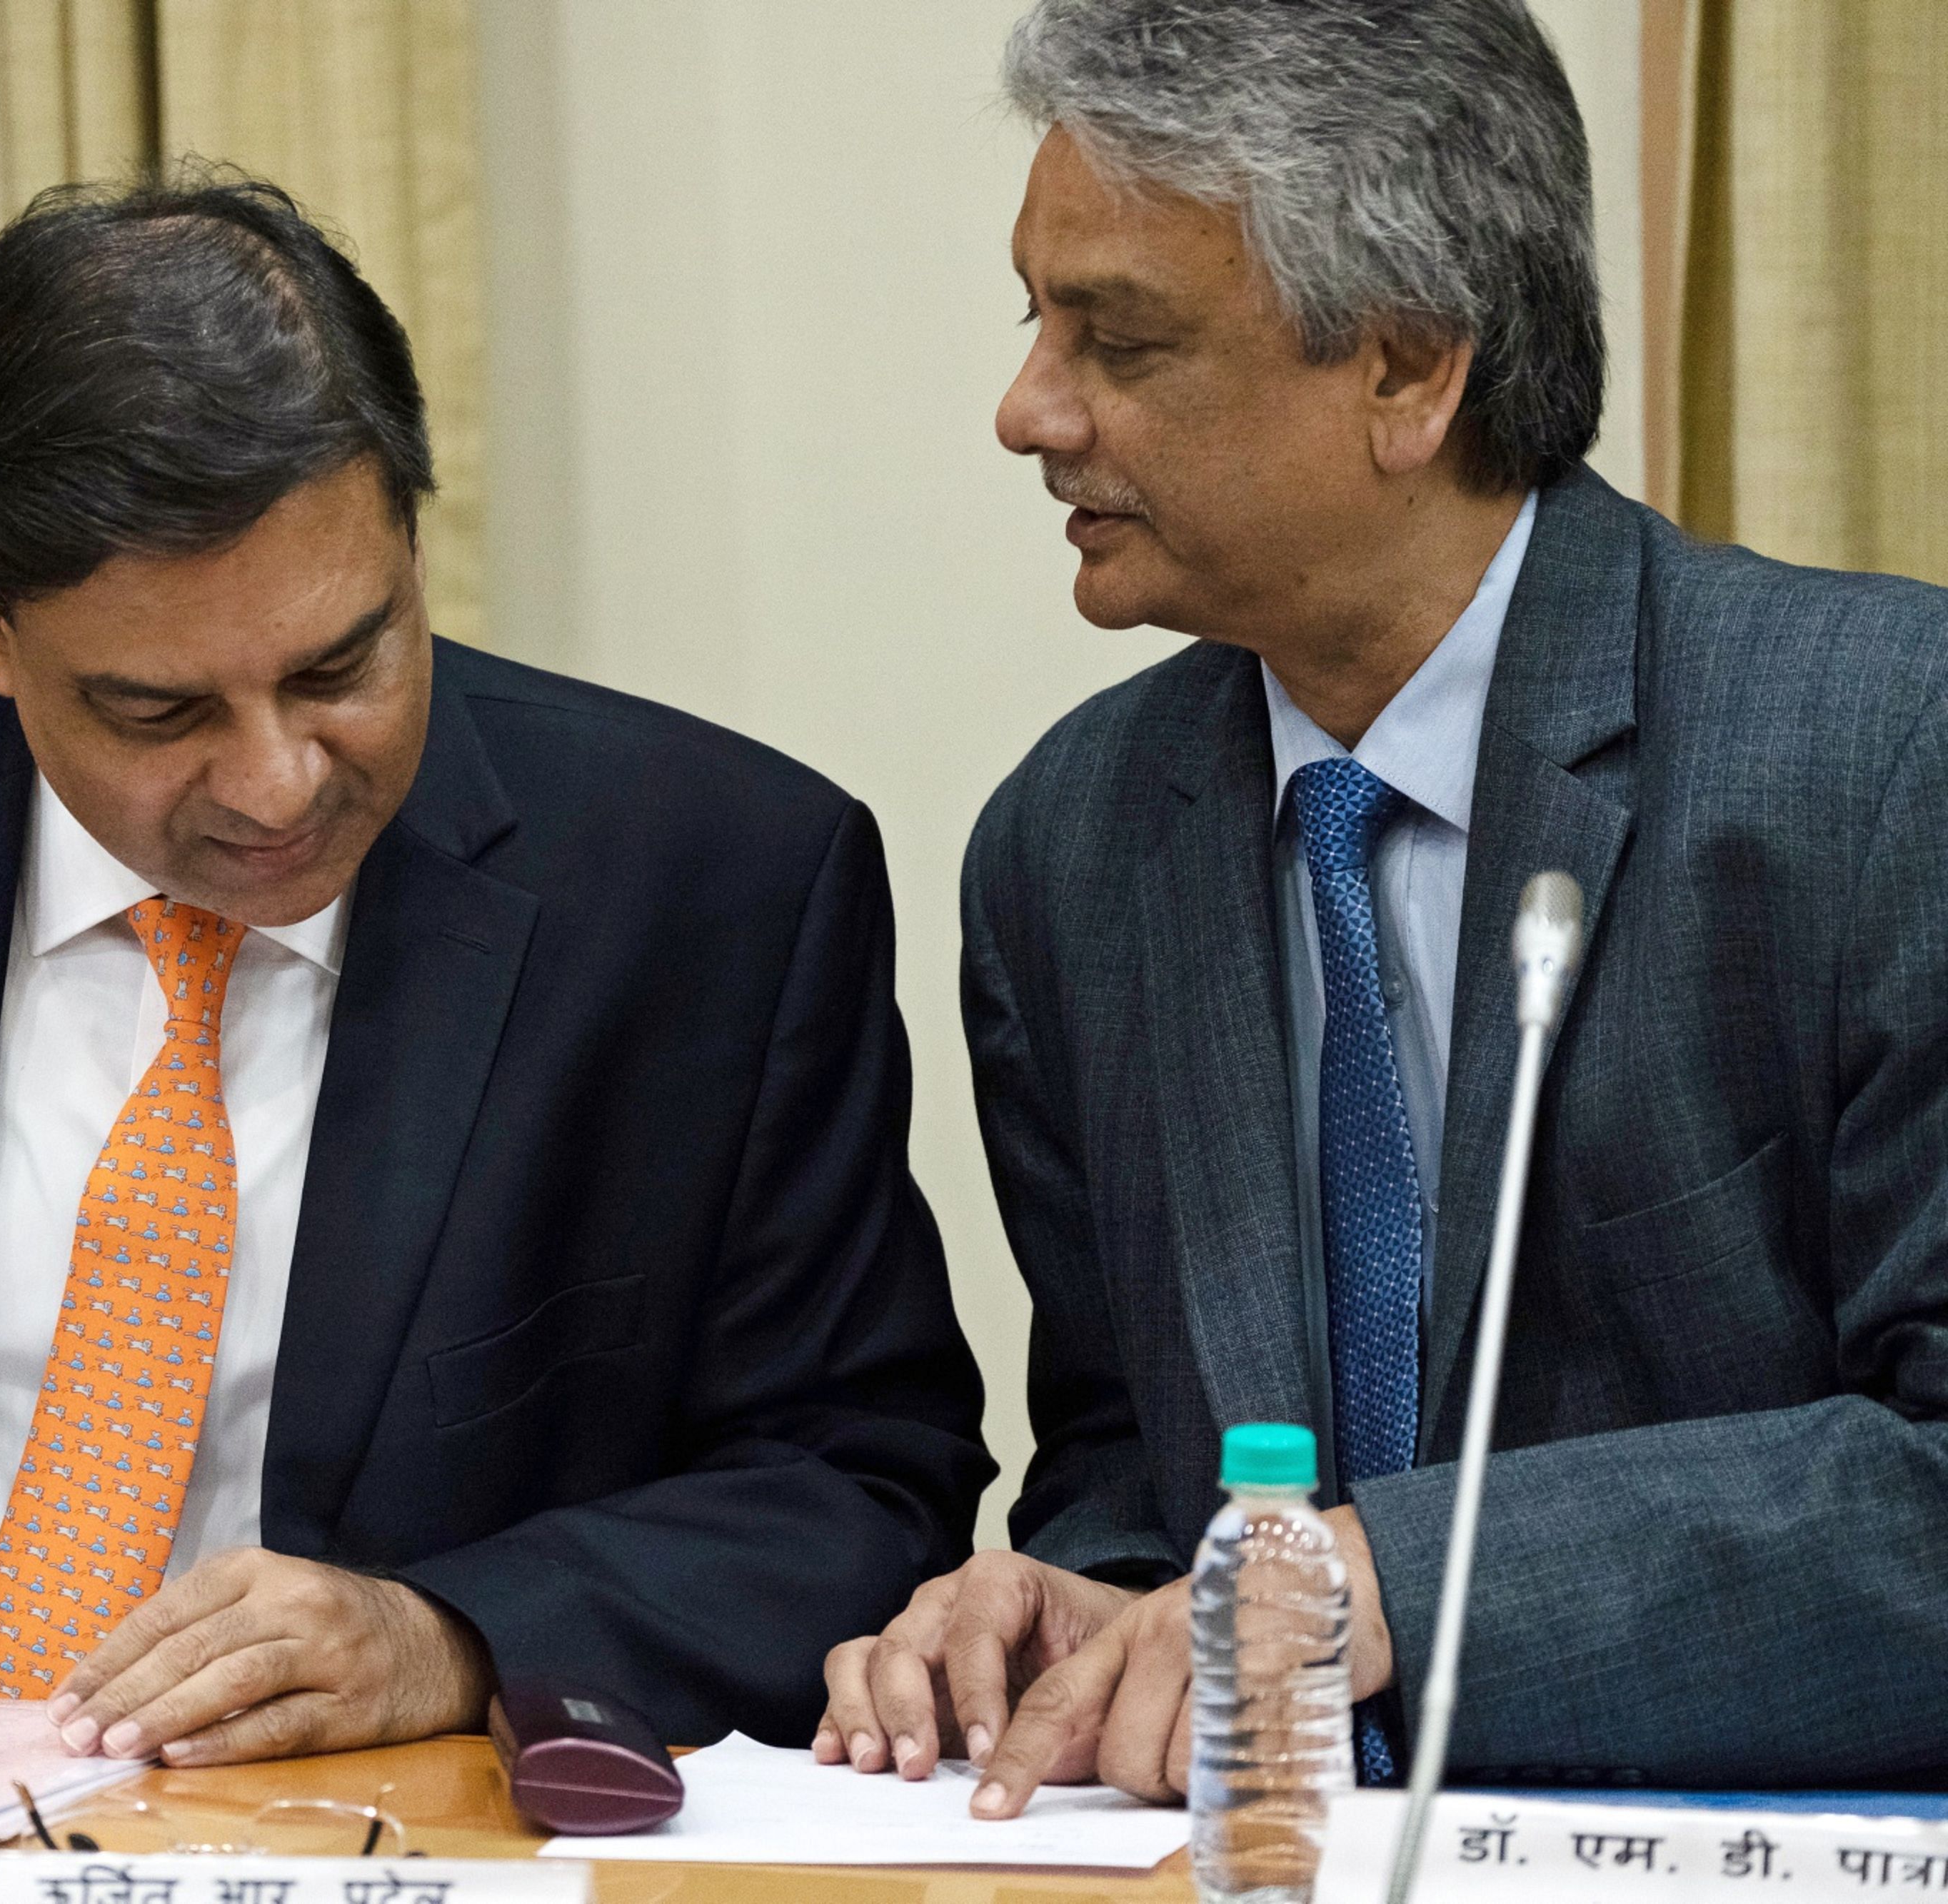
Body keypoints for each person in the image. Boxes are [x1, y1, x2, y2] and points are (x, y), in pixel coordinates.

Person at [0, 175, 992, 1763]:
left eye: (341, 666)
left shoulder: (706, 885)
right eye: (158, 712)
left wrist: (450, 1632)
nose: (277, 783)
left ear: (407, 527)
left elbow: (860, 1475)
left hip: (366, 1832)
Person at [822, 0, 1948, 1813]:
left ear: (1410, 370)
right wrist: (1068, 1603)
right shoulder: (1069, 845)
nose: (1028, 409)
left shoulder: (1888, 753)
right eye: (1033, 319)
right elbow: (1130, 1466)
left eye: (1116, 338)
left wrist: (1380, 1583)